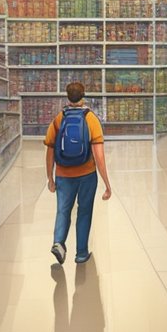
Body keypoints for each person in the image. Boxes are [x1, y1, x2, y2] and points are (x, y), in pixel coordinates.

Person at [44, 81, 113, 265]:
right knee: (84, 212)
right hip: (87, 175)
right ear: (83, 96)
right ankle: (81, 253)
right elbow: (99, 155)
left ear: (67, 97)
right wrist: (107, 184)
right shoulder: (91, 119)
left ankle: (59, 242)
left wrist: (50, 177)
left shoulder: (59, 119)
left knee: (63, 210)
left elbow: (50, 149)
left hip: (63, 175)